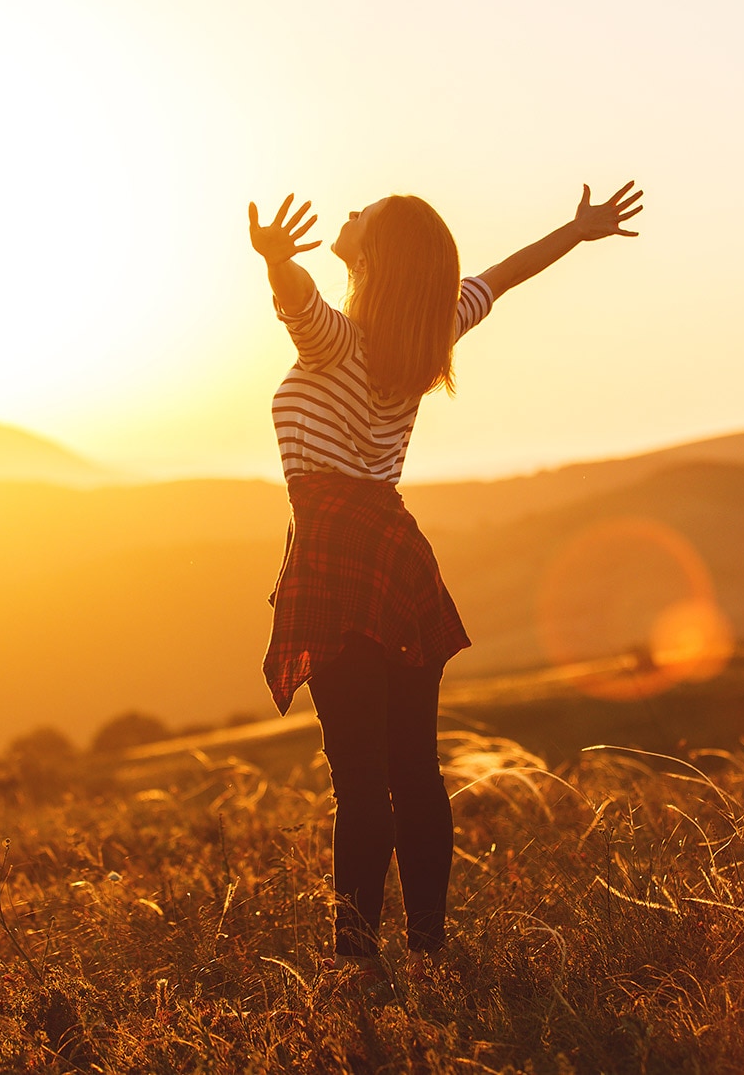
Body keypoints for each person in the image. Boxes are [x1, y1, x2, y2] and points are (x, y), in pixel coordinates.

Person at [247, 182, 643, 981]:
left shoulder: (337, 343)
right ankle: (429, 952)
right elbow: (505, 274)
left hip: (336, 558)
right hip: (398, 559)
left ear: (375, 252)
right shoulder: (432, 329)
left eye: (362, 214)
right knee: (412, 770)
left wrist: (277, 266)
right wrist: (574, 231)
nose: (349, 214)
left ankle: (355, 966)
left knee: (359, 784)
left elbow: (300, 307)